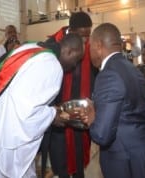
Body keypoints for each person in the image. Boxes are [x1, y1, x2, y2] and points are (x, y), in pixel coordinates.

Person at [0, 33, 84, 178]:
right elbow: (25, 113)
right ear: (69, 51)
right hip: (3, 129)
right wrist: (52, 115)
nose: (75, 66)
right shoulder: (52, 65)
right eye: (76, 60)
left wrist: (50, 111)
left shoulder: (35, 47)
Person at [80, 23, 145, 178]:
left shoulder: (108, 74)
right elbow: (139, 107)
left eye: (89, 47)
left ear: (98, 45)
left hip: (128, 158)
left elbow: (102, 135)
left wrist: (92, 118)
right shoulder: (132, 68)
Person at [43, 11, 97, 178]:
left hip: (80, 114)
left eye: (88, 35)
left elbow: (96, 75)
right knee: (61, 162)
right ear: (71, 31)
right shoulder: (53, 44)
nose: (85, 40)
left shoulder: (91, 48)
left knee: (80, 159)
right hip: (59, 114)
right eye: (82, 36)